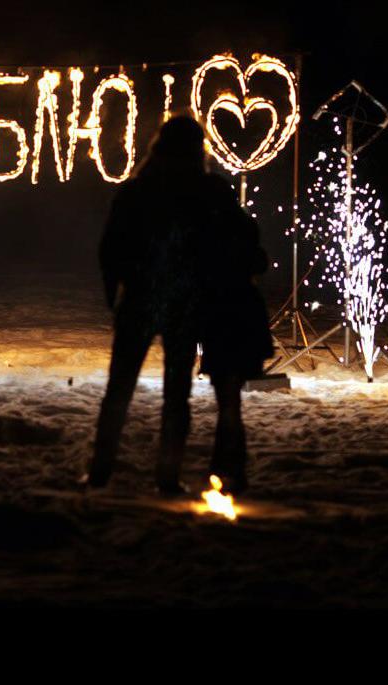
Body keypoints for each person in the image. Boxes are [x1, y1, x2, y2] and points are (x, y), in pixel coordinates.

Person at [84, 114, 272, 495]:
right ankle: (166, 475)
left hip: (140, 299)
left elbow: (111, 248)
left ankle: (101, 470)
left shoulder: (136, 192)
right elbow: (238, 239)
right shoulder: (210, 191)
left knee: (119, 387)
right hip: (185, 302)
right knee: (176, 393)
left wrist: (114, 294)